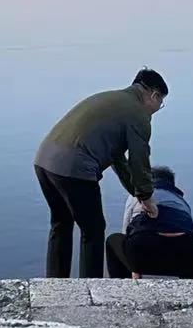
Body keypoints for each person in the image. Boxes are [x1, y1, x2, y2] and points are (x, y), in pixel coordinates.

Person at [33, 69, 168, 278]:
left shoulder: (111, 100)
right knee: (93, 230)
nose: (157, 110)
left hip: (44, 161)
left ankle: (54, 285)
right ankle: (90, 287)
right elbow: (139, 158)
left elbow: (118, 159)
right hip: (75, 168)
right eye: (160, 104)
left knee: (61, 223)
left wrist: (136, 192)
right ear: (154, 95)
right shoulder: (138, 114)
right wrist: (147, 196)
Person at [106, 165, 193, 280]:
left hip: (142, 250)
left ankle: (122, 289)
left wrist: (134, 268)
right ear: (172, 184)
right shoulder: (181, 202)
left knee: (113, 240)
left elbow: (126, 232)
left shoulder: (136, 196)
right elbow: (189, 231)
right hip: (187, 254)